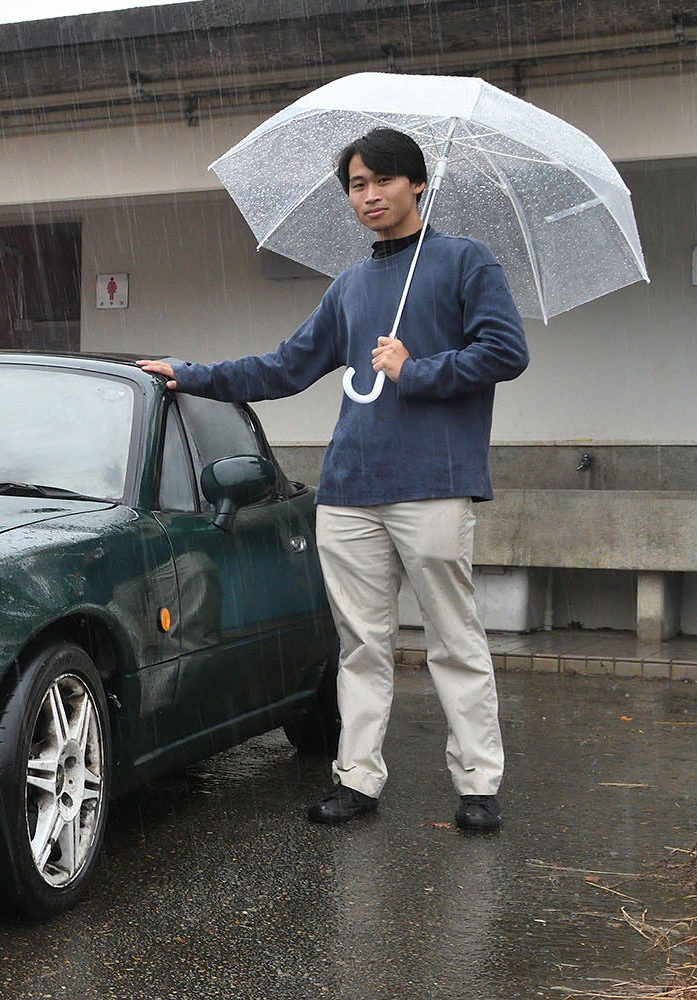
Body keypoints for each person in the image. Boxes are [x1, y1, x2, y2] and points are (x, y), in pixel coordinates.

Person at [138, 127, 529, 832]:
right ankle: (357, 780)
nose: (369, 195)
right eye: (356, 184)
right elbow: (285, 367)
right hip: (348, 490)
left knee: (455, 639)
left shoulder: (466, 261)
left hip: (434, 483)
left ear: (416, 184)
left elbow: (506, 350)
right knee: (360, 644)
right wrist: (190, 374)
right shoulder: (351, 286)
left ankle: (478, 785)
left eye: (382, 181)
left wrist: (420, 369)